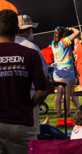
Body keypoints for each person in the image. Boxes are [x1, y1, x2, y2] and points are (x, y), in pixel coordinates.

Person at [0, 9, 48, 153]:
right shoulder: (31, 53)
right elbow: (42, 91)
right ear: (17, 30)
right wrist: (29, 106)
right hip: (21, 123)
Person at [15, 14, 49, 136]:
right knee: (30, 134)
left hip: (7, 96)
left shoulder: (5, 46)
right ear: (29, 30)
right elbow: (44, 71)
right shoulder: (32, 48)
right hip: (29, 95)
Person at [51, 25, 80, 117]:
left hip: (57, 69)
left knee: (59, 92)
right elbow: (77, 32)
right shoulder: (65, 40)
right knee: (67, 92)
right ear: (64, 33)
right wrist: (71, 28)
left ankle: (58, 112)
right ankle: (67, 112)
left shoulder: (53, 43)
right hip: (67, 68)